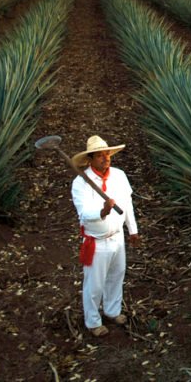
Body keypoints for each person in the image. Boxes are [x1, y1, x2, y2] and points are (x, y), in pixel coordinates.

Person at [70, 135, 140, 337]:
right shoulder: (81, 183)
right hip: (96, 241)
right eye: (100, 156)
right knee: (95, 283)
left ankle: (112, 310)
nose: (105, 158)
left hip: (117, 237)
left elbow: (127, 204)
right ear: (90, 159)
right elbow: (84, 213)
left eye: (107, 154)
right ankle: (93, 321)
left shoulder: (119, 176)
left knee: (117, 275)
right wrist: (102, 211)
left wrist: (132, 230)